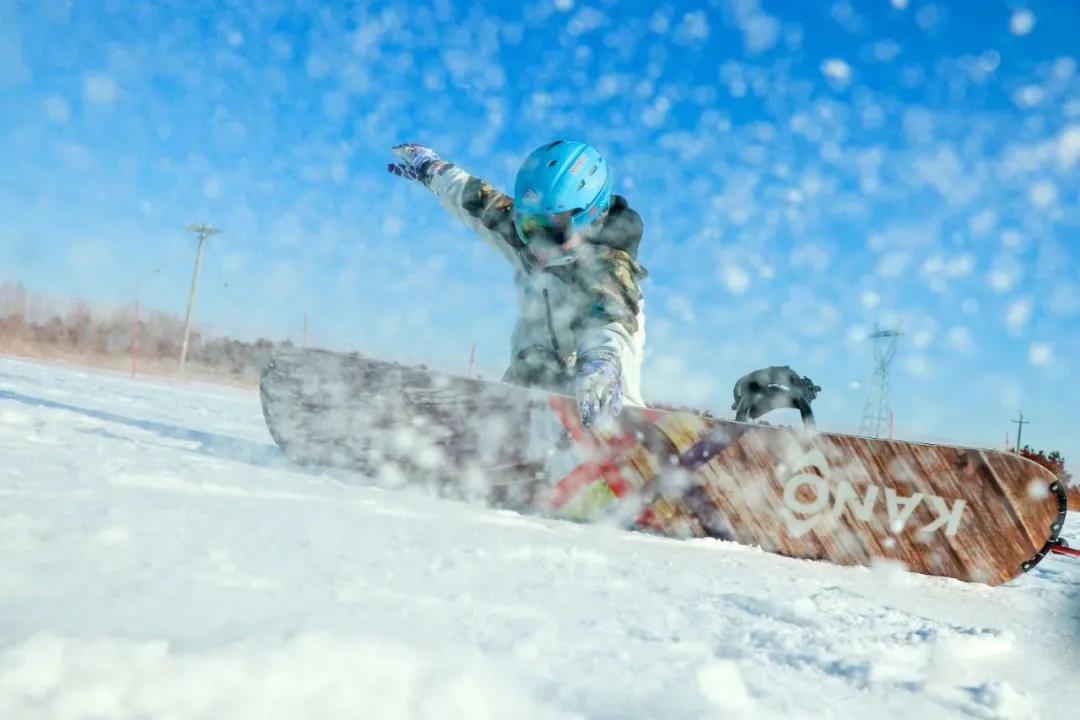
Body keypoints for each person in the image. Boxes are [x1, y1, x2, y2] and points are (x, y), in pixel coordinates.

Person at [387, 140, 648, 428]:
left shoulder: (608, 266)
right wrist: (434, 171)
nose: (538, 242)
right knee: (534, 362)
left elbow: (612, 317)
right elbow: (475, 199)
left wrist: (603, 358)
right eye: (528, 226)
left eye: (552, 230)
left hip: (597, 397)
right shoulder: (534, 240)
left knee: (593, 380)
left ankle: (611, 428)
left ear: (592, 216)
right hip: (531, 394)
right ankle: (512, 425)